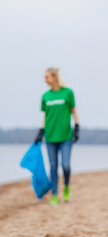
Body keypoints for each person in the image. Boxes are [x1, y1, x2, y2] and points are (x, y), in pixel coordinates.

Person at [34, 67, 79, 205]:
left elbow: (73, 111)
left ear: (55, 77)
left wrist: (77, 127)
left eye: (47, 77)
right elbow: (45, 117)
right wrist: (40, 132)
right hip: (50, 137)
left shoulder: (68, 93)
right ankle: (54, 194)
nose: (45, 80)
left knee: (65, 165)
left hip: (65, 136)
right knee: (53, 166)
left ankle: (66, 187)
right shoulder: (45, 96)